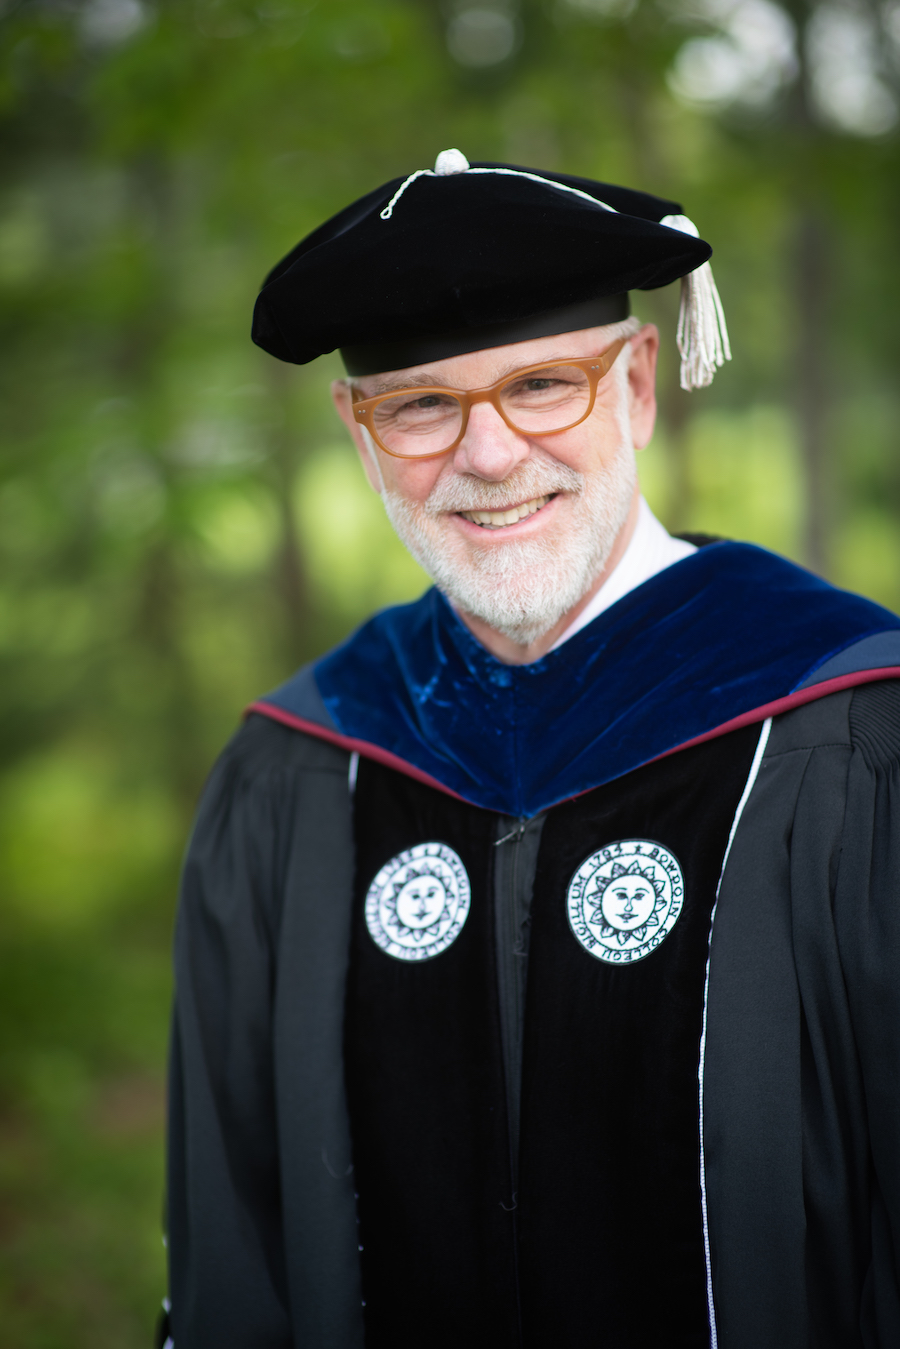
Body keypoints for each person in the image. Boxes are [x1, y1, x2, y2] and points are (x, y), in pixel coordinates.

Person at [160, 152, 900, 1349]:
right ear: (359, 431)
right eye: (420, 404)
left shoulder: (851, 738)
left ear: (641, 384)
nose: (490, 455)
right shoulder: (297, 770)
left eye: (544, 383)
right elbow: (232, 1248)